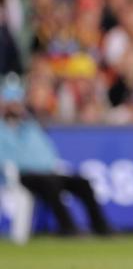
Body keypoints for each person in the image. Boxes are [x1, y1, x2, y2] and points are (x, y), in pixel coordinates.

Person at [0, 73, 111, 237]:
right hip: (23, 176)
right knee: (50, 183)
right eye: (12, 103)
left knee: (82, 183)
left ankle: (101, 228)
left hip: (47, 173)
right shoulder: (2, 131)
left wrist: (53, 167)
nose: (16, 107)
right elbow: (5, 163)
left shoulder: (30, 127)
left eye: (18, 103)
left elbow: (48, 153)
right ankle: (68, 228)